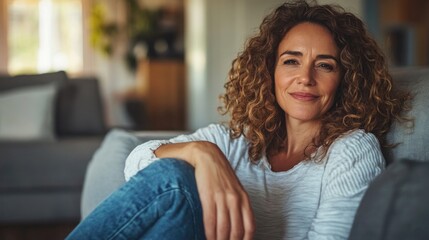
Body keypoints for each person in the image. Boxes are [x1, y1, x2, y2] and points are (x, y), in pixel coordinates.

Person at [67, 0, 410, 239]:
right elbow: (136, 165)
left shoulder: (352, 150)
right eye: (291, 61)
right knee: (172, 174)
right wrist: (204, 154)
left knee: (172, 178)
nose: (305, 78)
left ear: (346, 79)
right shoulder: (234, 142)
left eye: (325, 64)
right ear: (269, 72)